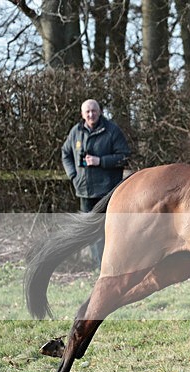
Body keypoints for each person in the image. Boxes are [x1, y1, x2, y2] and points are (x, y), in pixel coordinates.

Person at [61, 99, 131, 265]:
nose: (91, 114)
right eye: (87, 112)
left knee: (108, 229)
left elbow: (124, 157)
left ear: (100, 111)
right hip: (84, 190)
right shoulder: (76, 132)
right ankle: (96, 264)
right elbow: (66, 153)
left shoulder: (112, 131)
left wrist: (100, 161)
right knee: (89, 230)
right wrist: (73, 175)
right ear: (82, 114)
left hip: (107, 191)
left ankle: (109, 264)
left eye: (94, 110)